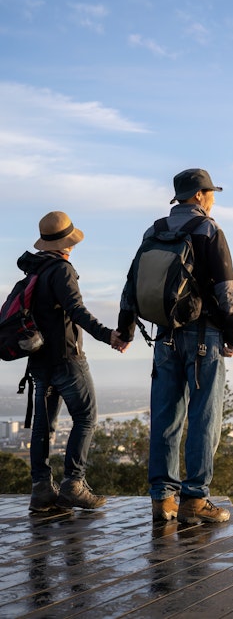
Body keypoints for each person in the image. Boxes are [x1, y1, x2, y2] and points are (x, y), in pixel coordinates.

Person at [117, 168, 233, 523]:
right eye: (211, 193)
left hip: (164, 336)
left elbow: (132, 283)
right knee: (204, 419)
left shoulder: (154, 230)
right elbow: (227, 291)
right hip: (204, 339)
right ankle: (194, 500)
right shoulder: (209, 229)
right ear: (201, 195)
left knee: (165, 417)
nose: (213, 198)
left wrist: (125, 329)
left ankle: (162, 500)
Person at [24, 211, 128, 513]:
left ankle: (41, 489)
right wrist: (108, 335)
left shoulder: (35, 270)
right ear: (67, 243)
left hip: (39, 361)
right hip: (67, 359)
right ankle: (73, 485)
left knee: (43, 428)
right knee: (86, 417)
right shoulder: (61, 270)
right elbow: (77, 310)